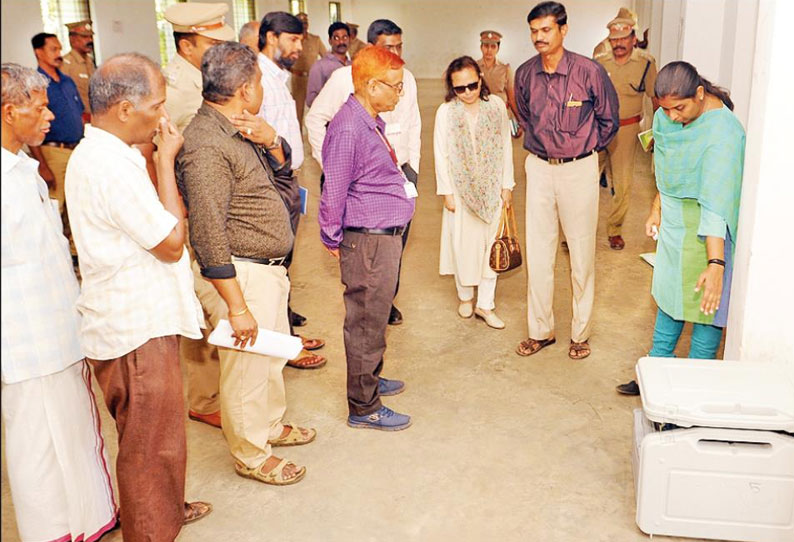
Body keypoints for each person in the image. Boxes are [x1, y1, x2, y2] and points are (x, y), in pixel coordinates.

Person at [65, 53, 211, 540]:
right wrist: (166, 162)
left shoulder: (114, 156)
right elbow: (171, 244)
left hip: (139, 321)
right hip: (135, 331)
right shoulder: (110, 167)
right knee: (150, 447)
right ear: (125, 110)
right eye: (158, 106)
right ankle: (152, 528)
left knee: (156, 439)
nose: (164, 118)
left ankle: (163, 508)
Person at [177, 41, 316, 484]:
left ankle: (270, 427)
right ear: (243, 88)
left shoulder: (239, 126)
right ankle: (251, 454)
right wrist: (235, 305)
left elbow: (282, 180)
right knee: (246, 372)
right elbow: (208, 231)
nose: (261, 89)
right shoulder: (204, 145)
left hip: (268, 268)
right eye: (257, 82)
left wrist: (272, 140)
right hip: (242, 273)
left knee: (270, 360)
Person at [1, 62, 118, 542]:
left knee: (71, 429)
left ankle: (90, 519)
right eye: (39, 106)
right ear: (10, 112)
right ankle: (50, 533)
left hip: (58, 326)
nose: (49, 116)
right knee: (36, 443)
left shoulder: (22, 166)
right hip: (24, 338)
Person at [616, 62, 745, 395]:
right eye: (666, 108)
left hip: (708, 231)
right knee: (670, 297)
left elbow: (715, 202)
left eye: (680, 108)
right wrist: (657, 208)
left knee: (705, 306)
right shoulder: (666, 118)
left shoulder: (724, 133)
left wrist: (716, 264)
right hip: (675, 226)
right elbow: (667, 167)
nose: (671, 117)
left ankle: (694, 389)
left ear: (700, 94)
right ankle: (656, 371)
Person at [514, 1, 618, 360]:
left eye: (546, 30)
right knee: (539, 253)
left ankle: (580, 333)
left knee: (581, 253)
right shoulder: (525, 74)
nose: (539, 38)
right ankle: (540, 331)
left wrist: (583, 149)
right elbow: (525, 114)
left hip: (579, 169)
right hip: (539, 167)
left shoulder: (589, 72)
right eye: (534, 31)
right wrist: (550, 148)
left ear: (563, 30)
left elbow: (609, 120)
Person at [319, 45, 415, 431]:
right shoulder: (347, 128)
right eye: (394, 87)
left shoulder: (368, 118)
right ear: (372, 86)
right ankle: (363, 405)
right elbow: (333, 191)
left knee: (375, 318)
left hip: (382, 238)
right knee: (364, 323)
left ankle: (370, 377)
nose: (399, 93)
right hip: (368, 243)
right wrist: (332, 238)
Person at [306, 19, 421, 326]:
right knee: (371, 253)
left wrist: (412, 171)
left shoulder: (404, 77)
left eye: (399, 46)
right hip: (365, 181)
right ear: (372, 48)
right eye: (388, 47)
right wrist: (331, 163)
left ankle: (386, 300)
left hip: (398, 175)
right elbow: (315, 119)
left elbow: (414, 125)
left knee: (392, 247)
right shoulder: (346, 79)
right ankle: (375, 306)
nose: (395, 53)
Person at [162, 1, 235, 430]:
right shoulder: (180, 89)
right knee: (202, 303)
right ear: (187, 45)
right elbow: (169, 156)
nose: (218, 50)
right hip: (191, 209)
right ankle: (204, 397)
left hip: (209, 201)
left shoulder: (199, 78)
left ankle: (211, 390)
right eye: (211, 43)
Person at [257, 11, 327, 369]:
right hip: (273, 182)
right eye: (294, 39)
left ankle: (285, 334)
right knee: (274, 268)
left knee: (283, 266)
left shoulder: (277, 77)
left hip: (288, 178)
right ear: (272, 37)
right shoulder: (260, 80)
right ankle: (284, 346)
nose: (300, 47)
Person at [434, 56, 515, 329]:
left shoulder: (496, 107)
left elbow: (506, 146)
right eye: (460, 88)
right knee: (463, 246)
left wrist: (507, 185)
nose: (468, 92)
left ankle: (485, 304)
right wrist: (447, 192)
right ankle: (466, 297)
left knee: (492, 247)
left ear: (481, 79)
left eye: (472, 85)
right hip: (460, 190)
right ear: (452, 88)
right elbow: (440, 153)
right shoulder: (446, 112)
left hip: (493, 189)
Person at [595, 9, 658, 250]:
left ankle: (615, 229)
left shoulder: (645, 63)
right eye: (614, 40)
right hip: (598, 129)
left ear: (633, 38)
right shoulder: (600, 63)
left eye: (624, 39)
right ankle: (577, 232)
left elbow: (655, 99)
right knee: (584, 183)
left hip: (627, 131)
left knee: (622, 184)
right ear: (609, 41)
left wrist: (658, 133)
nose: (619, 44)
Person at [28, 32, 83, 257]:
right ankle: (54, 254)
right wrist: (41, 163)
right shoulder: (35, 83)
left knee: (76, 204)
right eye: (53, 49)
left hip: (75, 149)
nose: (59, 54)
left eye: (60, 49)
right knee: (55, 205)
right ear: (38, 52)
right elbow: (31, 125)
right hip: (53, 150)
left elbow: (80, 113)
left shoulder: (67, 81)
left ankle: (73, 251)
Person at [163, 2, 235, 134]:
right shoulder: (174, 91)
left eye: (223, 43)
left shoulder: (210, 75)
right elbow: (156, 148)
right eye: (214, 44)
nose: (222, 50)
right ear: (187, 47)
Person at [476, 30, 521, 134]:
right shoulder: (474, 68)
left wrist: (520, 120)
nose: (489, 50)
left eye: (493, 47)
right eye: (486, 46)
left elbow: (512, 98)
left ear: (498, 49)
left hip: (501, 115)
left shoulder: (505, 69)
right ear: (481, 47)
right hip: (480, 116)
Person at [291, 12, 327, 127]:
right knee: (298, 113)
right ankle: (298, 142)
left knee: (318, 112)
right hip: (298, 80)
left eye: (306, 22)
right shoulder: (292, 40)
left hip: (314, 80)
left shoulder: (315, 39)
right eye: (301, 22)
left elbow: (326, 57)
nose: (304, 25)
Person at [306, 22, 351, 108]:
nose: (341, 41)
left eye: (344, 37)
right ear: (330, 41)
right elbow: (310, 100)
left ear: (349, 39)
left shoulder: (352, 66)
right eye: (336, 38)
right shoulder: (319, 66)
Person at [61, 19, 95, 118]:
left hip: (93, 116)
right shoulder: (66, 63)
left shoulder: (89, 61)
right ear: (72, 39)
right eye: (85, 36)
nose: (90, 40)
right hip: (78, 118)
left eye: (90, 36)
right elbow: (65, 97)